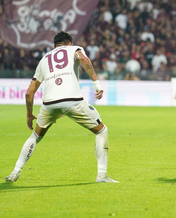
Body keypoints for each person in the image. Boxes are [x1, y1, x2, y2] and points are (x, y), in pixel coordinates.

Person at [6, 31, 118, 183]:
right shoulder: (74, 49)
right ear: (70, 43)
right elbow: (83, 59)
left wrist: (29, 114)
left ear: (54, 46)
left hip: (49, 104)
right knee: (101, 131)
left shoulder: (44, 59)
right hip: (72, 101)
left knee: (35, 136)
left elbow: (29, 93)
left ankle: (15, 172)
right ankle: (102, 175)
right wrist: (96, 84)